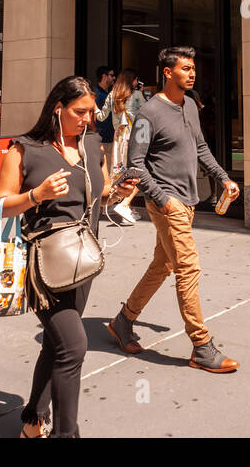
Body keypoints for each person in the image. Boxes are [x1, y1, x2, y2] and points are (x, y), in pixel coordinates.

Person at [0, 76, 140, 438]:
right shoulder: (24, 149)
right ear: (58, 108)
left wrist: (116, 191)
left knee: (58, 345)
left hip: (83, 259)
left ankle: (31, 421)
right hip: (44, 265)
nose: (88, 118)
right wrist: (36, 195)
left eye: (91, 111)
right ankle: (65, 433)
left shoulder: (92, 145)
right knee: (74, 347)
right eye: (80, 111)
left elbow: (99, 195)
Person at [107, 46, 242, 373]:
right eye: (185, 68)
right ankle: (201, 346)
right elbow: (135, 165)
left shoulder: (191, 106)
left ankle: (123, 321)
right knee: (188, 267)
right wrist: (163, 200)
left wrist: (223, 178)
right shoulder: (148, 113)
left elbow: (200, 147)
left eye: (193, 67)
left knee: (162, 265)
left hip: (189, 199)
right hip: (167, 203)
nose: (192, 73)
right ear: (167, 72)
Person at [96, 69, 143, 226]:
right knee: (138, 171)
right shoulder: (136, 95)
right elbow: (146, 115)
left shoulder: (112, 95)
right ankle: (124, 205)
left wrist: (92, 105)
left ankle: (121, 206)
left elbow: (101, 116)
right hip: (133, 136)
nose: (137, 83)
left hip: (119, 137)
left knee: (121, 171)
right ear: (132, 81)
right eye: (136, 80)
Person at [92, 65, 116, 171]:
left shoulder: (108, 94)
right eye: (112, 75)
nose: (114, 78)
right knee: (105, 169)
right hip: (102, 138)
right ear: (104, 76)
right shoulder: (96, 94)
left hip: (110, 137)